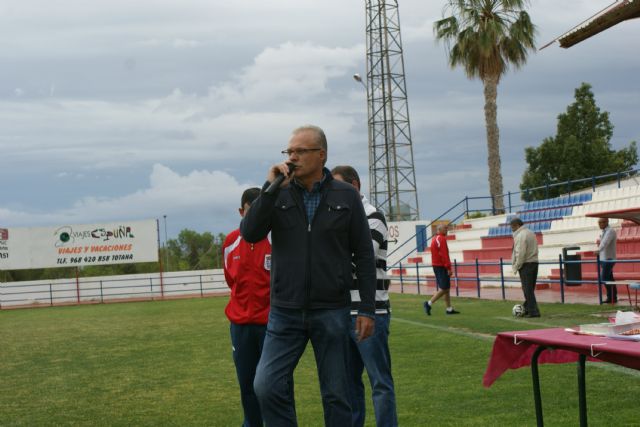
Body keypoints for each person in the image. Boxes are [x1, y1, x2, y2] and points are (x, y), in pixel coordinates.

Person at [240, 125, 377, 426]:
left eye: (300, 151)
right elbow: (250, 233)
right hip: (285, 312)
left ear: (321, 155)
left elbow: (365, 255)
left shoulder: (346, 196)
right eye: (289, 151)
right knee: (266, 385)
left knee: (337, 395)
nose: (292, 158)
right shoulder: (278, 192)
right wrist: (269, 188)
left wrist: (367, 307)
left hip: (332, 310)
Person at [331, 165, 398, 427]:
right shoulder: (343, 217)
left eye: (339, 187)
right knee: (348, 385)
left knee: (379, 382)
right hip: (342, 311)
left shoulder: (373, 216)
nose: (334, 194)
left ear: (355, 185)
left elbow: (361, 258)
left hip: (372, 312)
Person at [222, 187, 271, 427]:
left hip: (272, 325)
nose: (256, 218)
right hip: (240, 326)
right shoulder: (231, 242)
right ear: (242, 212)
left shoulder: (277, 239)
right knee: (247, 384)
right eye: (251, 213)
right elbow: (231, 281)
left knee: (274, 384)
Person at [423, 224, 460, 315]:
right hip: (441, 266)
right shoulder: (441, 239)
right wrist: (448, 267)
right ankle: (428, 303)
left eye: (447, 228)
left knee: (446, 288)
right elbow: (444, 254)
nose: (446, 230)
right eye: (445, 228)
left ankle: (449, 309)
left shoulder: (435, 239)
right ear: (439, 229)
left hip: (436, 265)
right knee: (444, 288)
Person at [510, 217, 540, 318]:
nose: (512, 229)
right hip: (534, 262)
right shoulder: (531, 233)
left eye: (512, 227)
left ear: (517, 225)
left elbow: (520, 252)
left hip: (526, 264)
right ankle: (527, 308)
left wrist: (516, 266)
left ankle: (533, 311)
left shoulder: (520, 235)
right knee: (529, 289)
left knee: (527, 289)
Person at [596, 217, 617, 304]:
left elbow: (605, 243)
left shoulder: (610, 231)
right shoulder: (604, 232)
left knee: (604, 278)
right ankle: (612, 297)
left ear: (606, 222)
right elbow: (602, 243)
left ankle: (611, 296)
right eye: (599, 223)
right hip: (604, 258)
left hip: (609, 258)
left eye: (601, 222)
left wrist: (598, 250)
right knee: (609, 278)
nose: (600, 224)